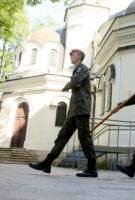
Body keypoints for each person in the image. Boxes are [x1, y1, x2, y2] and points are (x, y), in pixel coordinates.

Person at [29, 49, 98, 177]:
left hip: (82, 109)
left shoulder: (82, 68)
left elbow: (76, 81)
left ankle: (92, 168)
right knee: (62, 136)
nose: (71, 56)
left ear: (80, 56)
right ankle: (47, 163)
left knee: (84, 138)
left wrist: (65, 87)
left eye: (73, 54)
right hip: (73, 110)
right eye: (70, 54)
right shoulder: (76, 69)